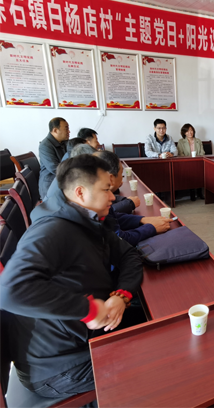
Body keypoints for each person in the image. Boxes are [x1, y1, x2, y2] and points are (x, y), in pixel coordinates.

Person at [0, 154, 143, 405]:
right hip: (58, 366)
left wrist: (122, 295)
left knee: (160, 323)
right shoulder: (52, 230)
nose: (113, 197)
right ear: (80, 192)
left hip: (83, 337)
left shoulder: (86, 220)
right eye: (106, 189)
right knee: (156, 358)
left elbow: (129, 254)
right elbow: (10, 291)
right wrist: (88, 310)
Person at [95, 150, 172, 246]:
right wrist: (151, 228)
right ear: (111, 178)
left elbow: (114, 217)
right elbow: (120, 240)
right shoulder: (96, 203)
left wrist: (142, 220)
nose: (112, 197)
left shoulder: (97, 195)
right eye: (121, 174)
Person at [39, 117, 70, 199]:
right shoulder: (45, 146)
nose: (69, 131)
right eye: (66, 128)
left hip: (62, 180)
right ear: (55, 130)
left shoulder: (64, 142)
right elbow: (54, 168)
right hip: (51, 185)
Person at [177, 123, 205, 200]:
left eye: (191, 130)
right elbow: (180, 154)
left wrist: (197, 160)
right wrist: (188, 161)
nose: (190, 132)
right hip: (186, 163)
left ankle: (199, 191)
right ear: (184, 133)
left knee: (199, 171)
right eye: (187, 131)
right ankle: (192, 191)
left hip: (198, 162)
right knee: (190, 171)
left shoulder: (198, 141)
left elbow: (202, 152)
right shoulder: (181, 141)